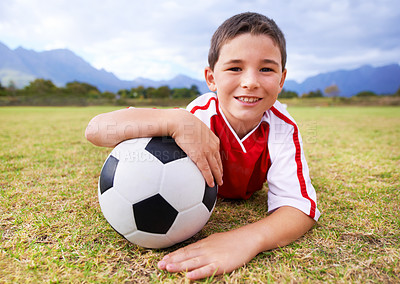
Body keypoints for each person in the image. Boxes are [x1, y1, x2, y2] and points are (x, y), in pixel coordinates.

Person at [85, 12, 320, 280]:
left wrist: (248, 239)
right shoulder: (196, 117)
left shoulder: (283, 128)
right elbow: (95, 130)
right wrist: (173, 119)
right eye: (235, 68)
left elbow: (301, 208)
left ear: (281, 79)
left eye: (266, 69)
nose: (251, 81)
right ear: (211, 78)